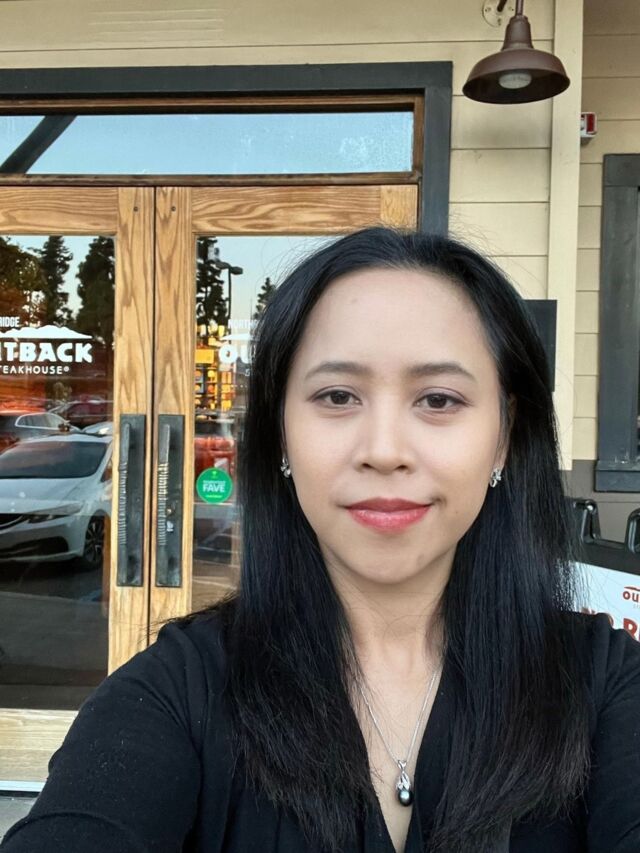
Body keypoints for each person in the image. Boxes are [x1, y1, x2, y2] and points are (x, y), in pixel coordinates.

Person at [2, 227, 639, 853]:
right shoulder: (177, 692)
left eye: (439, 400)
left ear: (503, 437)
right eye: (337, 395)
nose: (383, 450)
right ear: (280, 432)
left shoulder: (605, 683)